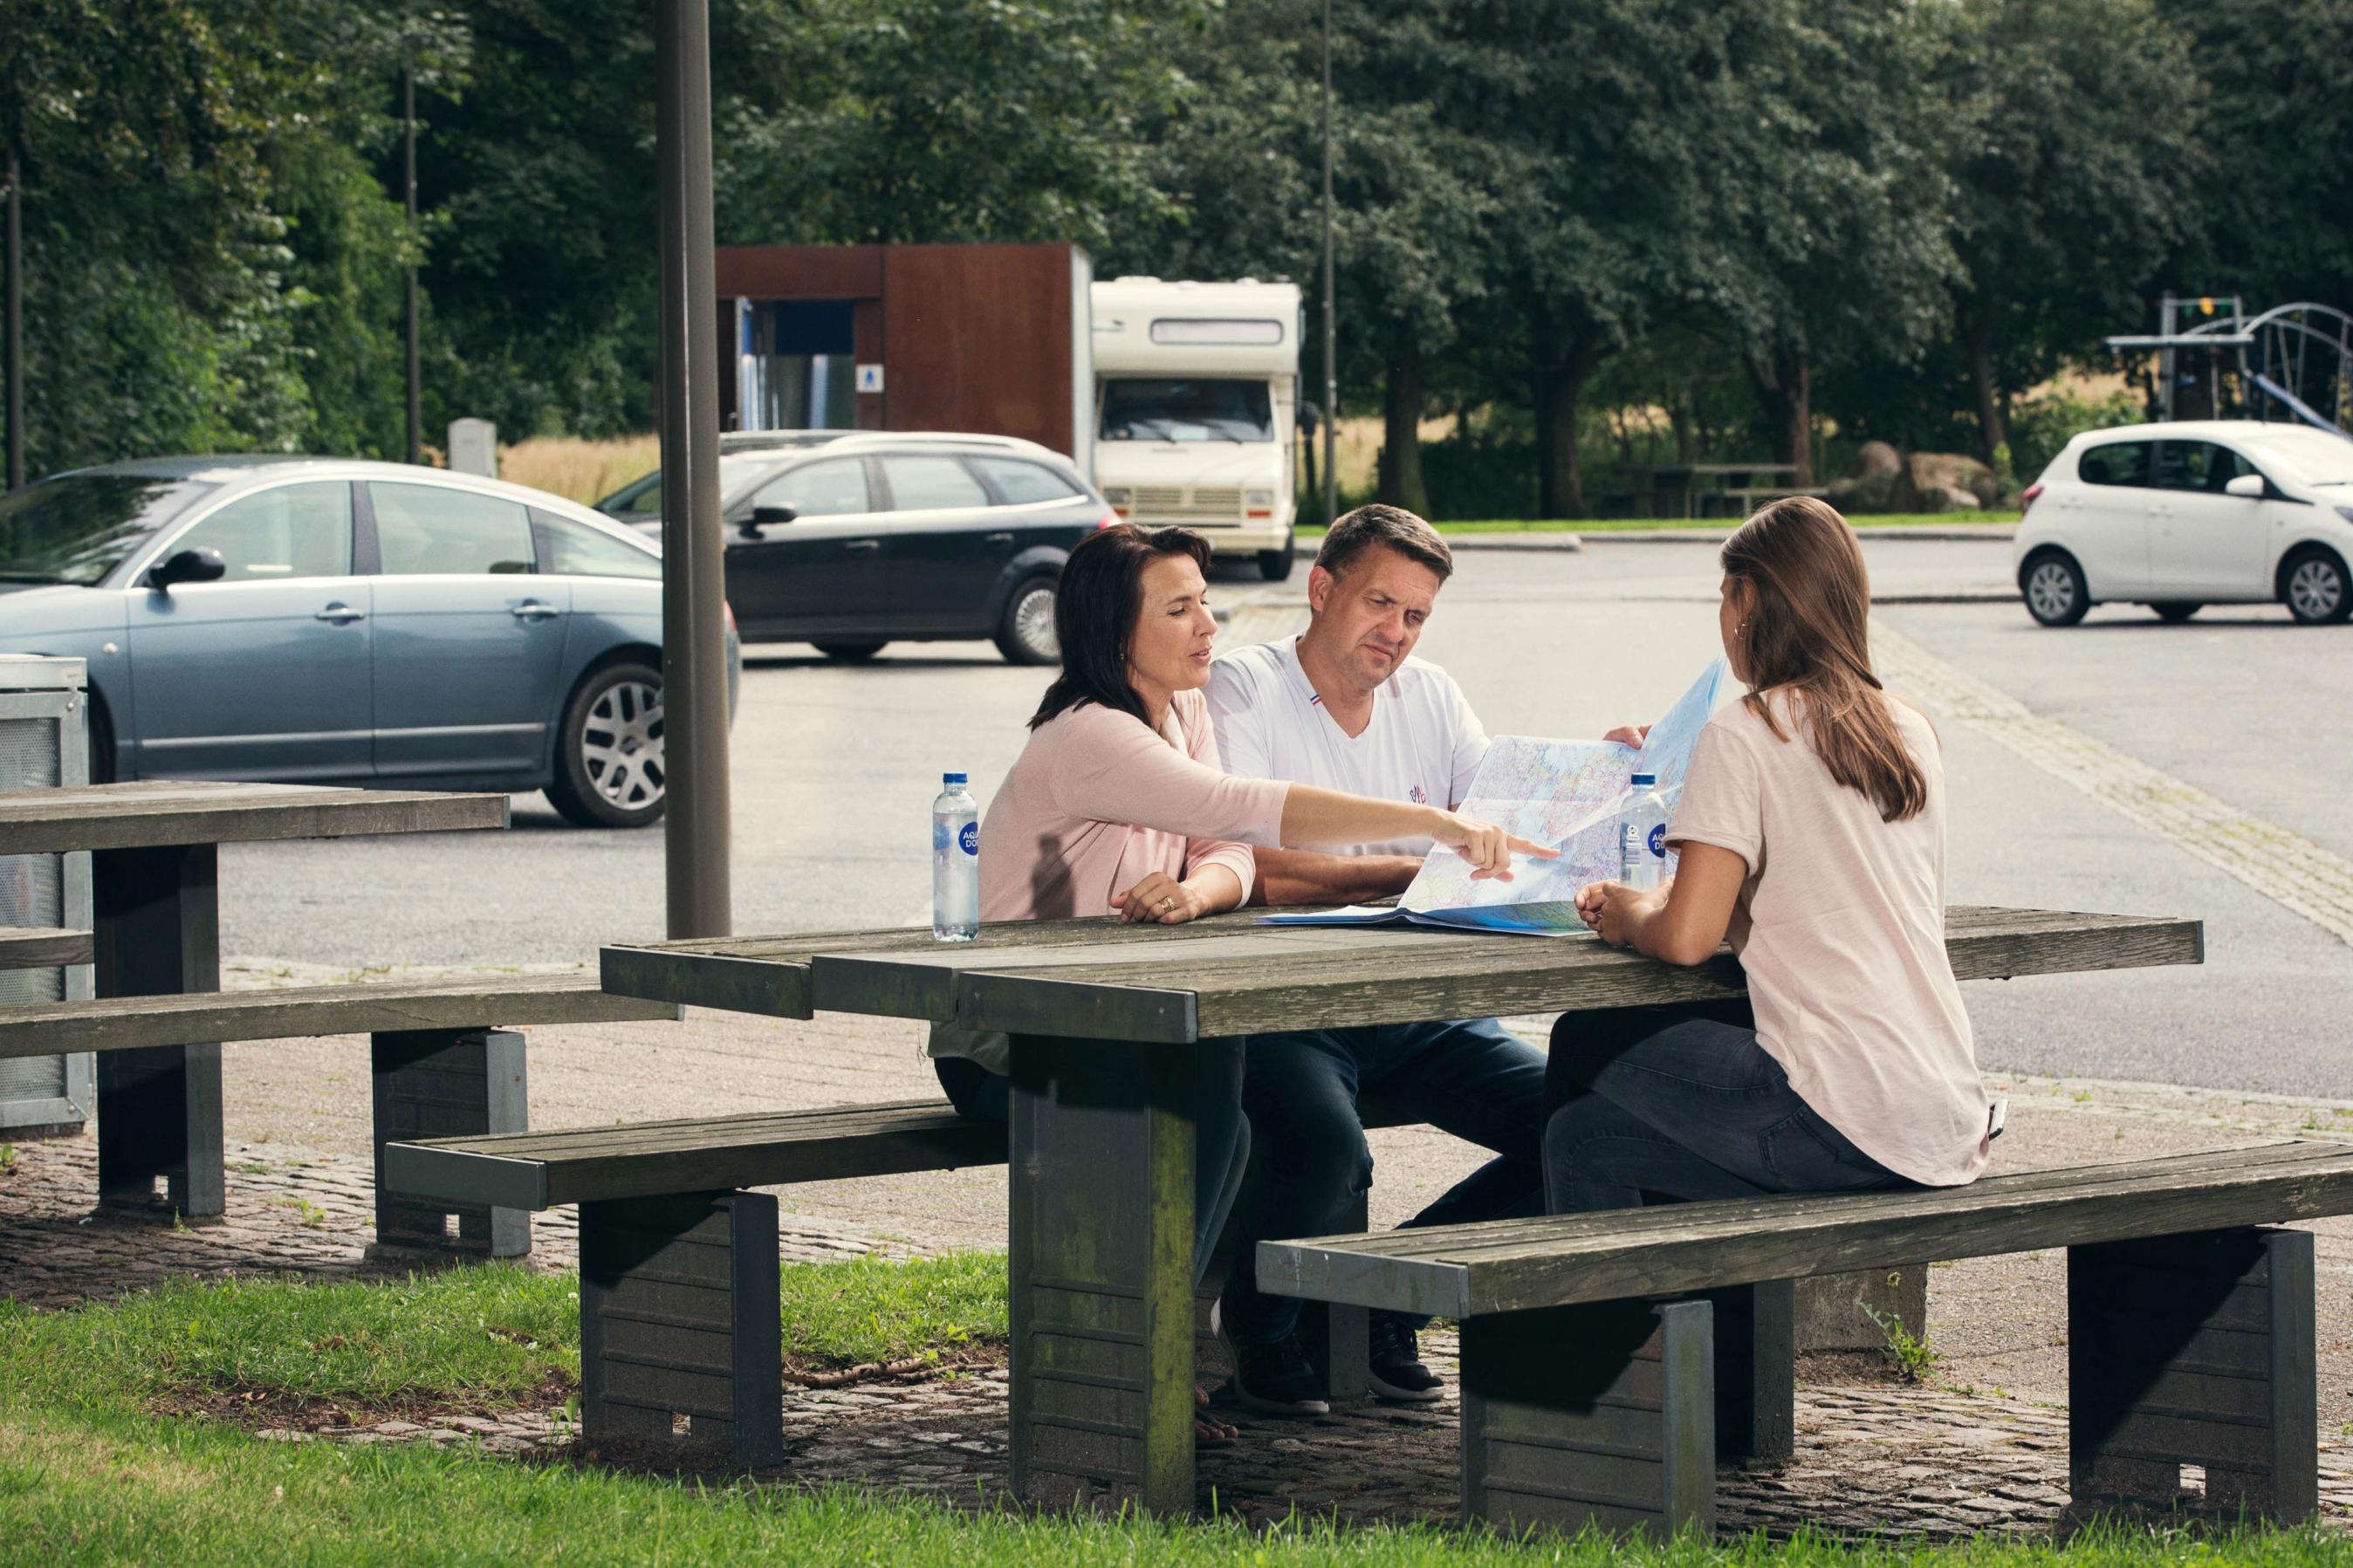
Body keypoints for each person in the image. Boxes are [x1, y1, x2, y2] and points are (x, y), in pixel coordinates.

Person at [926, 522, 1550, 1442]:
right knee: (1210, 1093)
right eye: (1178, 609)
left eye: (1205, 603)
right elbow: (1243, 811)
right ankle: (1137, 1369)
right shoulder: (1091, 734)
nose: (1206, 626)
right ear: (1112, 629)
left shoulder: (1184, 713)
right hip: (1010, 1033)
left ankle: (1162, 1355)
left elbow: (1226, 852)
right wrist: (1433, 826)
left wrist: (1191, 889)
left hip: (1116, 1021)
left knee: (1211, 1080)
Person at [1204, 504, 1651, 1416]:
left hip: (1426, 1008)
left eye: (1414, 616)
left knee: (1589, 1132)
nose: (1395, 634)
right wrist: (1422, 861)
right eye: (1379, 603)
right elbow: (1256, 863)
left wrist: (1601, 779)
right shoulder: (1242, 689)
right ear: (1320, 589)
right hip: (1286, 1008)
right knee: (1330, 1152)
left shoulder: (1433, 697)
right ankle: (1261, 1332)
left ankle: (1383, 1298)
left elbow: (1509, 832)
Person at [1546, 496, 1993, 1220]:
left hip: (1835, 1112)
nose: (1722, 624)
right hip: (1941, 1108)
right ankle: (1673, 1328)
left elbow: (1688, 938)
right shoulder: (1911, 730)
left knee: (1583, 1038)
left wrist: (1630, 916)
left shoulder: (1745, 732)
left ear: (1748, 598)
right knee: (1582, 1138)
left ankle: (1571, 1316)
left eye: (1724, 598)